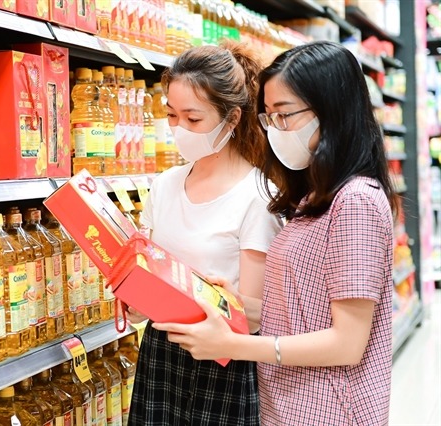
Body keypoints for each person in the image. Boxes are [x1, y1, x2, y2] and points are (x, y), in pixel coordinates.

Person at [152, 41, 398, 425]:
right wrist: (232, 304)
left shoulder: (356, 202)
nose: (275, 131)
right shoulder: (313, 197)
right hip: (289, 404)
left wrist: (237, 344)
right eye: (268, 118)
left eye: (285, 116)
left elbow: (348, 342)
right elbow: (300, 310)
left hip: (330, 409)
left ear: (331, 112)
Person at [127, 41, 284, 426]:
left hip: (222, 360)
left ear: (231, 120)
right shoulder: (164, 185)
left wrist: (214, 301)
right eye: (171, 115)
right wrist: (132, 292)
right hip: (161, 352)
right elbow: (146, 269)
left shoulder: (257, 195)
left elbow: (255, 315)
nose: (180, 129)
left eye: (193, 119)